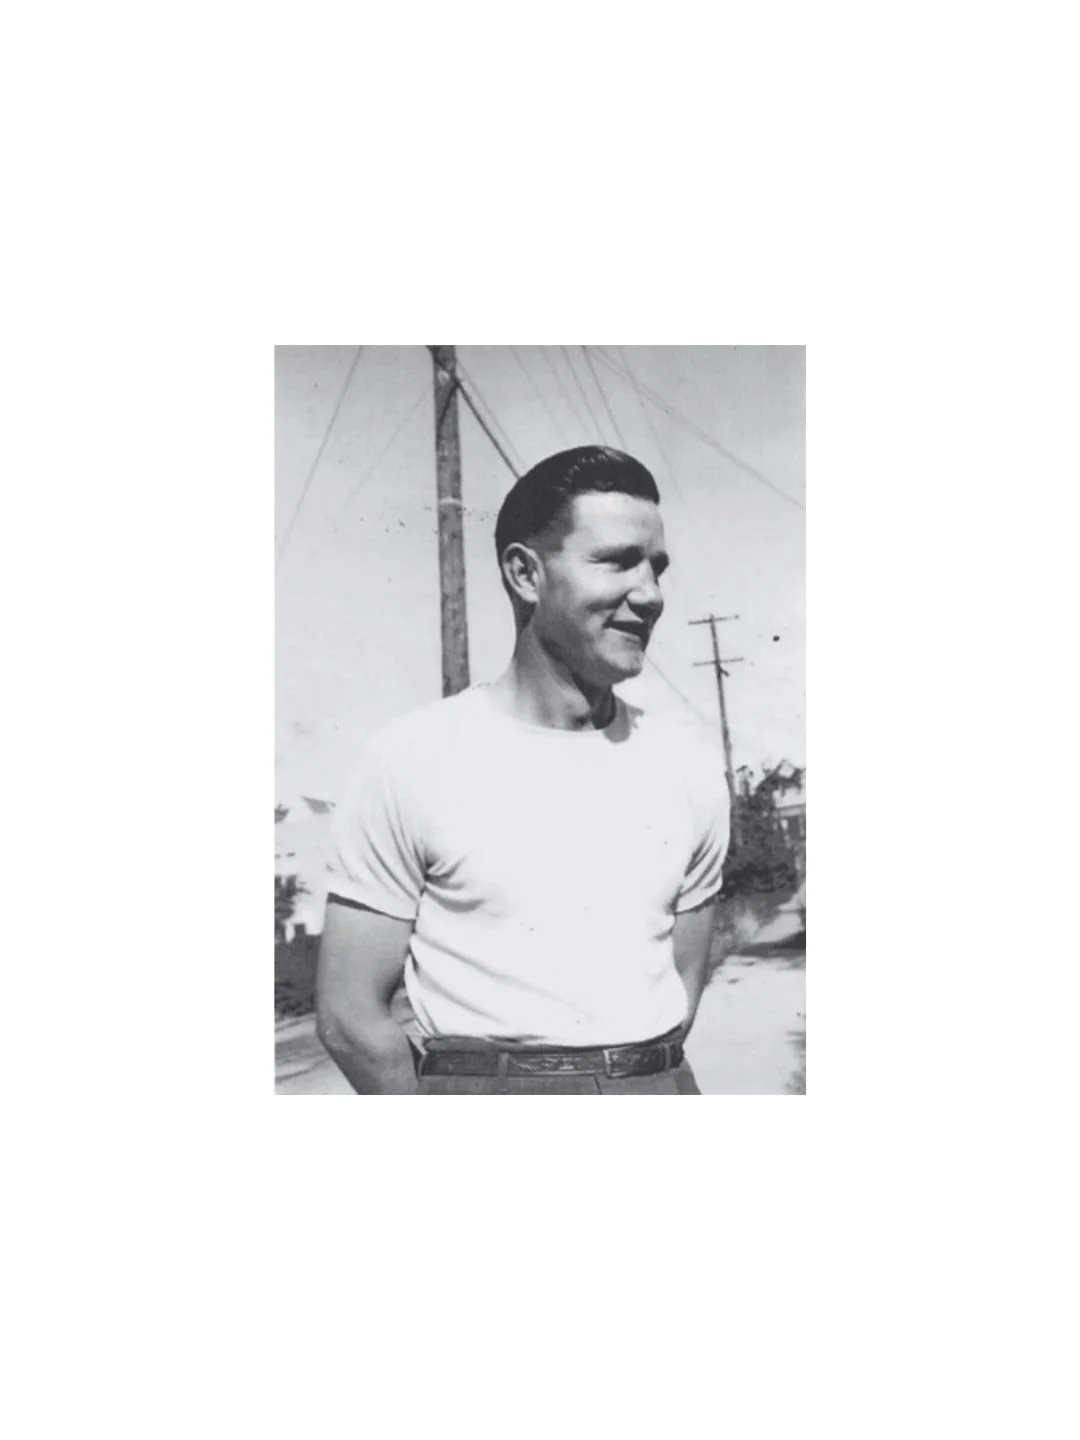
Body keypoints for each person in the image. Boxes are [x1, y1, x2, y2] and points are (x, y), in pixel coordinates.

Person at [316, 445, 730, 1094]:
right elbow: (349, 1016)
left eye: (656, 568)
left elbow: (683, 983)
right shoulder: (412, 759)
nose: (650, 595)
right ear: (525, 574)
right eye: (618, 561)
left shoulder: (688, 766)